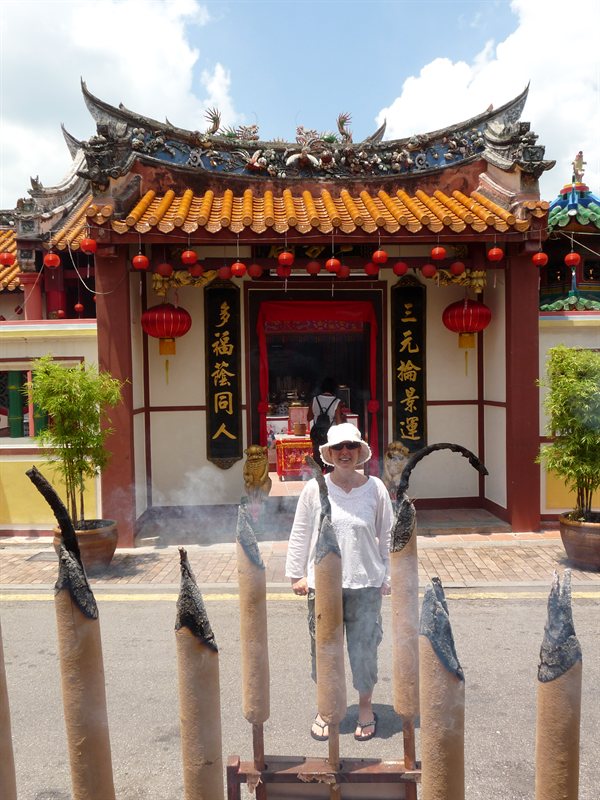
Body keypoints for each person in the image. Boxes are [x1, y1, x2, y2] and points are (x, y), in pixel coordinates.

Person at [285, 423, 393, 742]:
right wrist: (297, 574)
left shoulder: (375, 488)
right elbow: (302, 532)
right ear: (329, 454)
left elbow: (388, 535)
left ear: (360, 452)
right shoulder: (314, 489)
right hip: (324, 587)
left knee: (364, 650)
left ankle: (364, 708)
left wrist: (387, 576)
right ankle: (327, 707)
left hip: (365, 584)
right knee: (324, 651)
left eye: (351, 447)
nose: (345, 453)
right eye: (338, 448)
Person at [307, 377, 343, 468]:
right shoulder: (337, 402)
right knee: (330, 459)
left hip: (317, 434)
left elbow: (309, 417)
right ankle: (328, 478)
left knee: (317, 458)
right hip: (331, 434)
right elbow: (339, 422)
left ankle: (318, 479)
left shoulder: (315, 399)